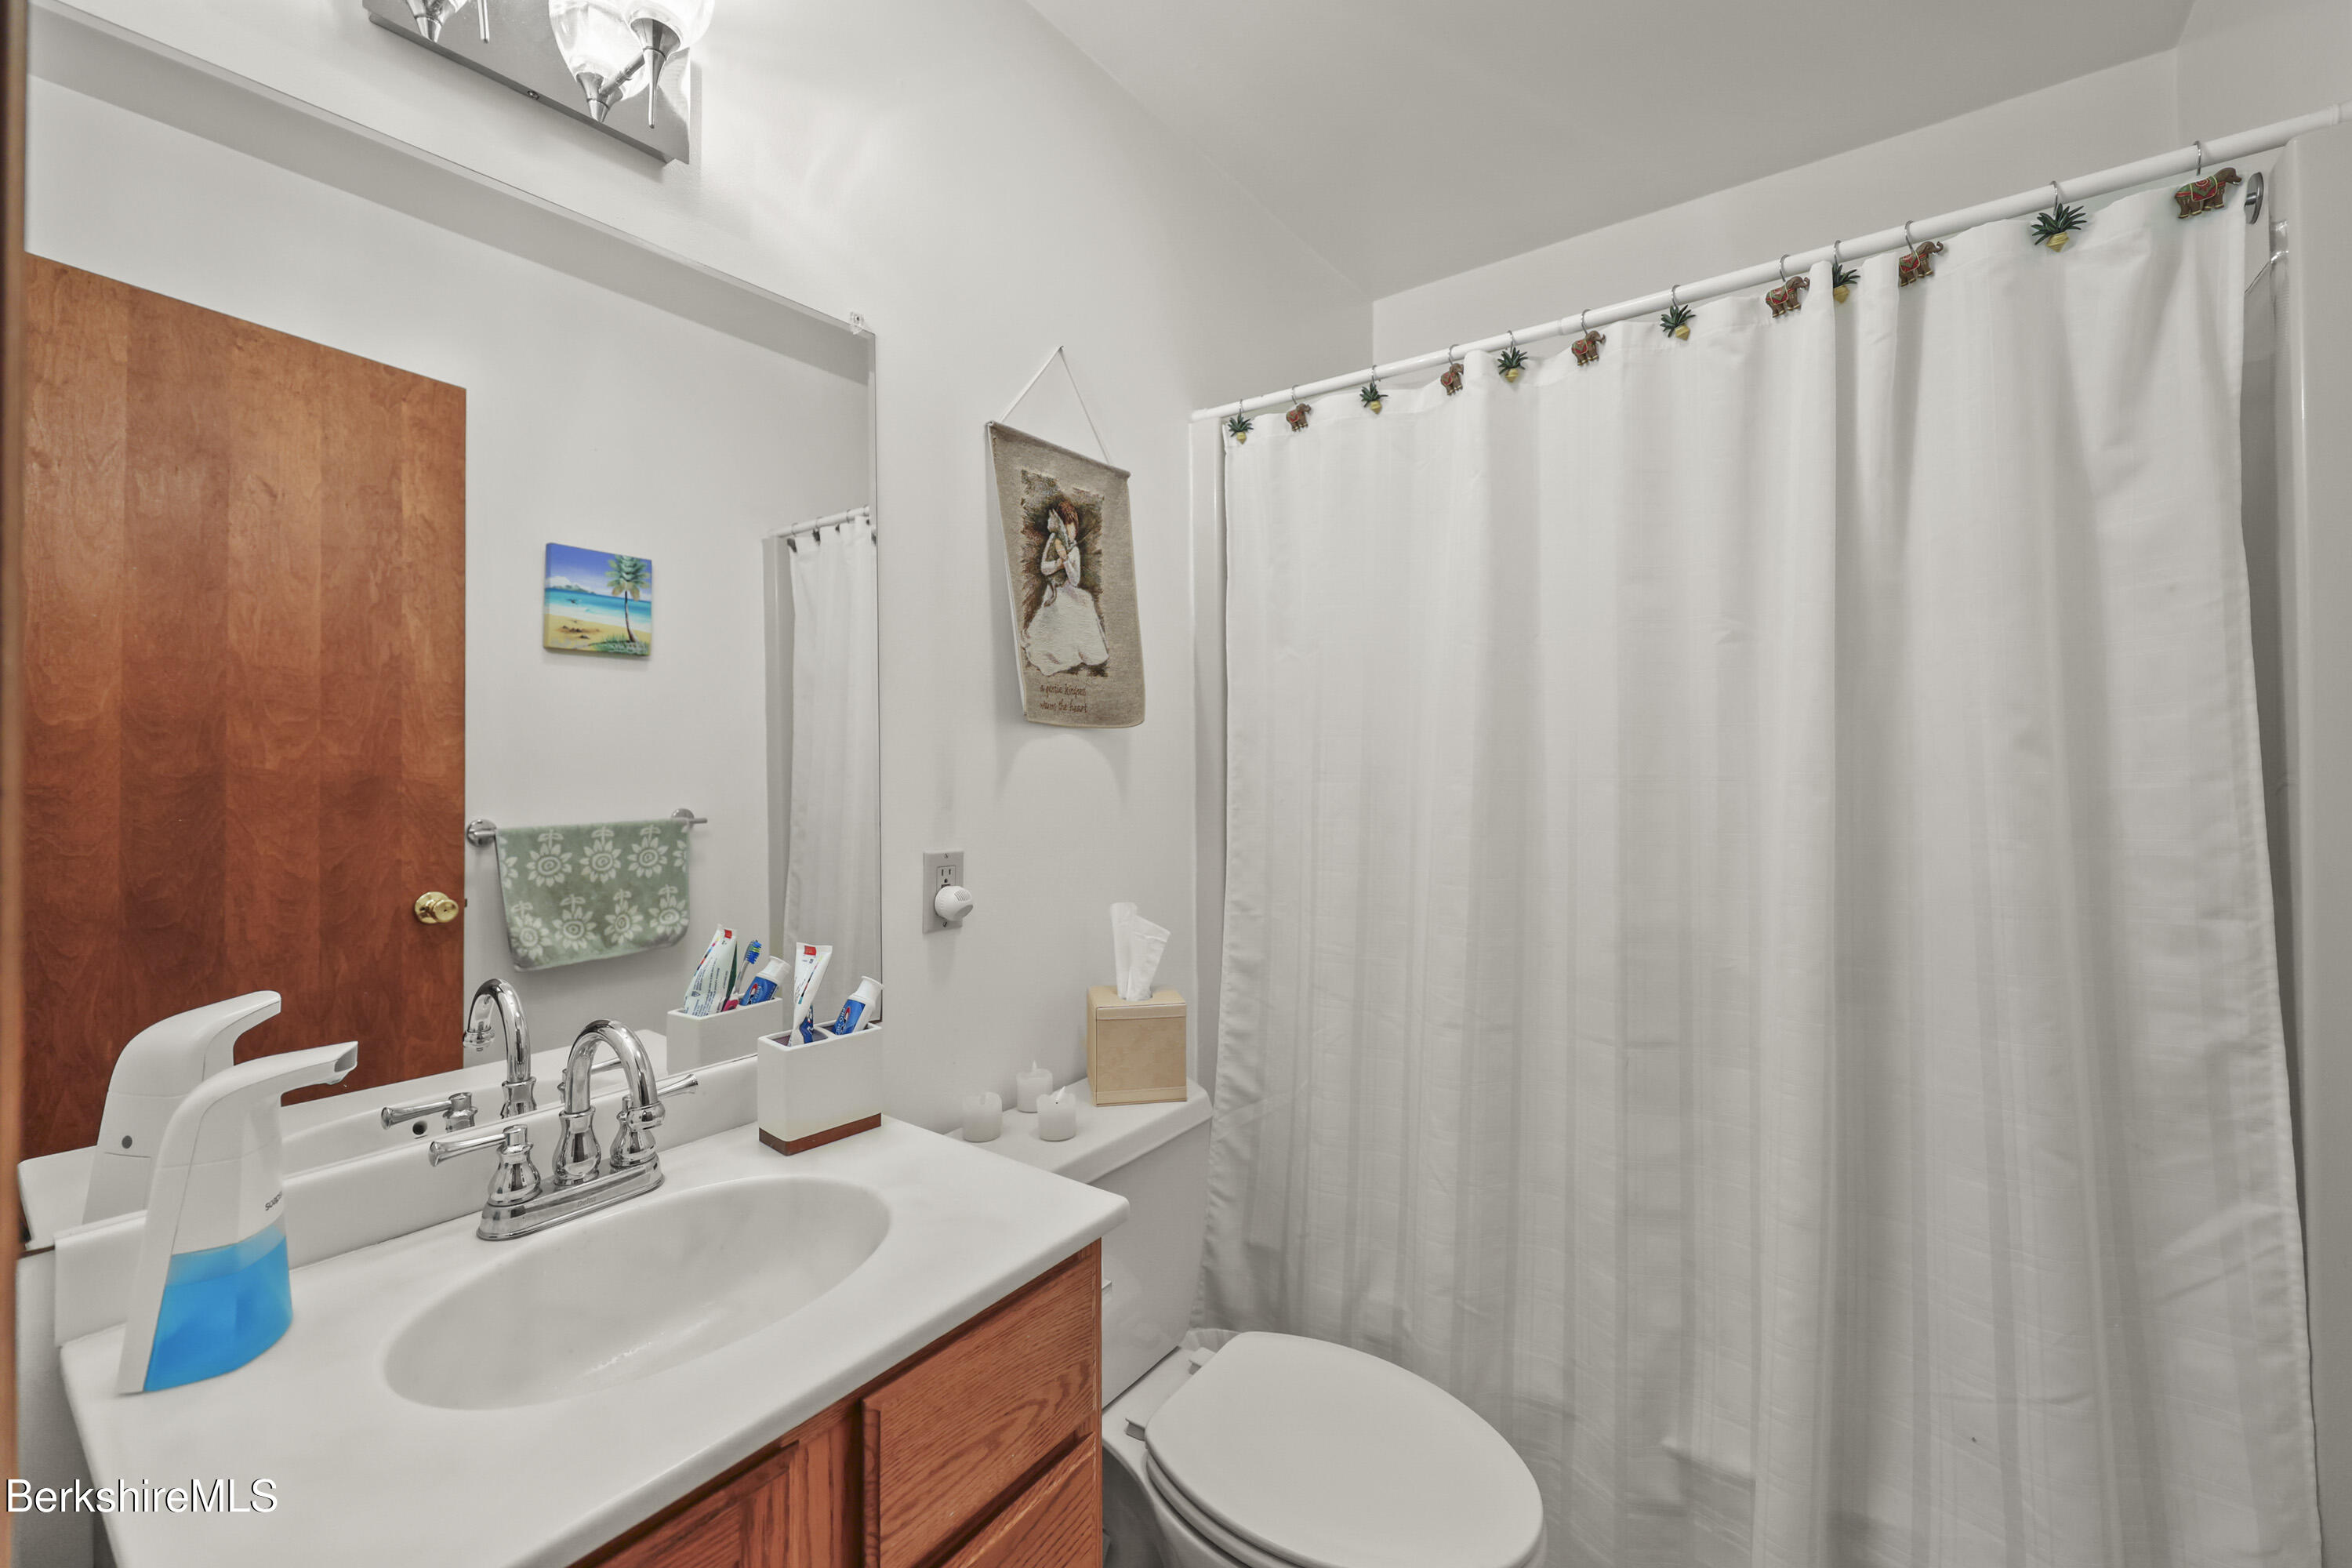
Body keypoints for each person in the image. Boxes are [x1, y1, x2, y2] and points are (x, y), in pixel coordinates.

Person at [1025, 501, 1109, 673]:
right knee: (1063, 610)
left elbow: (1075, 580)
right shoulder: (1053, 541)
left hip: (1069, 588)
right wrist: (1058, 563)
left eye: (1074, 527)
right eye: (1067, 526)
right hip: (1056, 591)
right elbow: (1044, 568)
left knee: (1086, 600)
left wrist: (1067, 562)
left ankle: (1088, 651)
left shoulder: (1075, 550)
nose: (1072, 531)